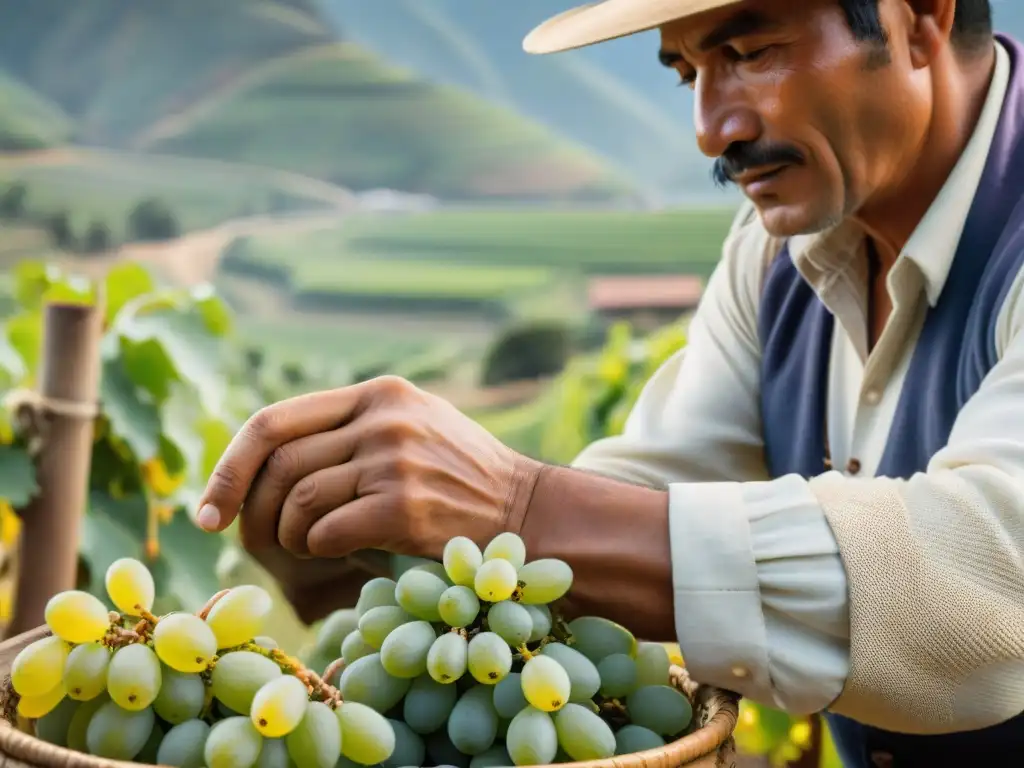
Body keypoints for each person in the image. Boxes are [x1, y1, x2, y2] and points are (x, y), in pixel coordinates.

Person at [194, 0, 1024, 765]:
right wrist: (425, 558)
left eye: (749, 50)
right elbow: (663, 481)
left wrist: (516, 507)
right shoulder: (774, 258)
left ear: (920, 17)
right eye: (687, 73)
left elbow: (986, 571)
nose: (711, 128)